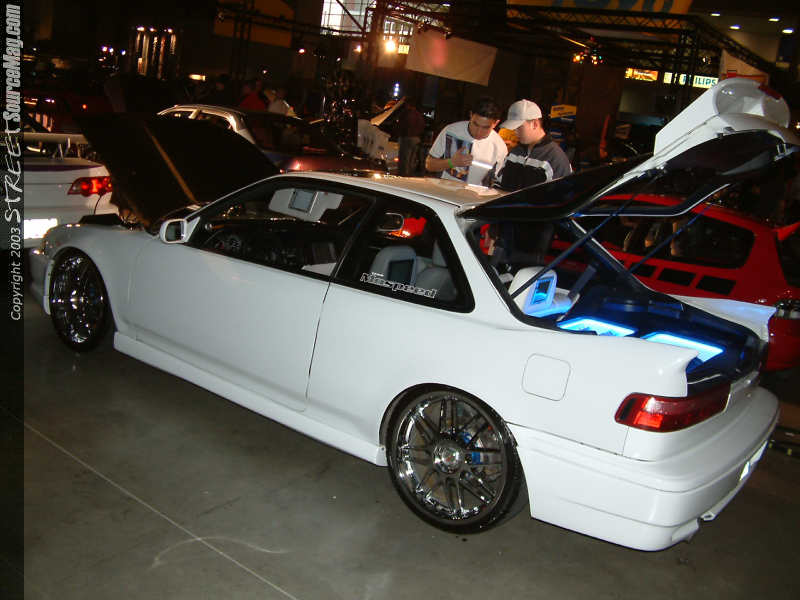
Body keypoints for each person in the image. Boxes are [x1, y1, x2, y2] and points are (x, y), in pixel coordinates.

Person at [425, 96, 508, 186]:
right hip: (445, 190)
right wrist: (451, 162)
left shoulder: (500, 147)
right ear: (471, 115)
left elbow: (496, 182)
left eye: (485, 127)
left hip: (475, 193)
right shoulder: (451, 131)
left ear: (496, 123)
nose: (478, 132)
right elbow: (429, 165)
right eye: (475, 124)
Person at [497, 99, 572, 191]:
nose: (515, 132)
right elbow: (499, 184)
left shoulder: (555, 158)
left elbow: (562, 196)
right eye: (513, 128)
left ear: (535, 124)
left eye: (519, 127)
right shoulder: (514, 153)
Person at [397, 99, 426, 176]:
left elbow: (403, 125)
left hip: (407, 137)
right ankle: (410, 174)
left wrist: (402, 133)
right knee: (412, 159)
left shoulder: (406, 113)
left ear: (408, 104)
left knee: (404, 158)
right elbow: (422, 126)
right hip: (416, 138)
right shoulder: (418, 115)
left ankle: (404, 175)